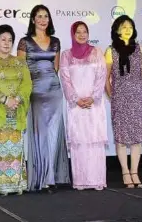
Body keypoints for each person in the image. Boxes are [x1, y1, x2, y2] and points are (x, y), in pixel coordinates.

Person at [17, 4, 70, 193]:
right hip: (35, 91)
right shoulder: (24, 42)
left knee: (54, 134)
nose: (42, 19)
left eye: (45, 16)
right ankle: (41, 177)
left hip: (55, 90)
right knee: (41, 134)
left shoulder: (55, 41)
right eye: (39, 16)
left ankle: (51, 178)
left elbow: (56, 68)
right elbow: (21, 70)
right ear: (33, 20)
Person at [0, 24, 32, 195]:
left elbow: (27, 84)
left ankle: (16, 184)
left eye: (10, 40)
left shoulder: (20, 62)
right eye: (3, 39)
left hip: (16, 110)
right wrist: (4, 99)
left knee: (15, 150)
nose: (7, 43)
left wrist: (17, 99)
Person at [59, 21, 108, 191]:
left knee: (94, 140)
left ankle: (97, 180)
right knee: (79, 141)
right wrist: (75, 99)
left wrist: (93, 97)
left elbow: (102, 76)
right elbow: (65, 79)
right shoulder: (66, 55)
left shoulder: (97, 52)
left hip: (94, 105)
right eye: (78, 32)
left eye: (84, 31)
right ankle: (80, 181)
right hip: (75, 106)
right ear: (73, 34)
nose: (81, 34)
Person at [105, 15, 142, 189]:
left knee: (137, 138)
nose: (127, 29)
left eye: (130, 26)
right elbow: (106, 79)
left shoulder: (140, 49)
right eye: (123, 27)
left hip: (138, 95)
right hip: (120, 97)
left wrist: (137, 92)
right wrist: (113, 96)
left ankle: (135, 172)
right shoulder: (110, 51)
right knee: (122, 138)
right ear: (117, 30)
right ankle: (125, 172)